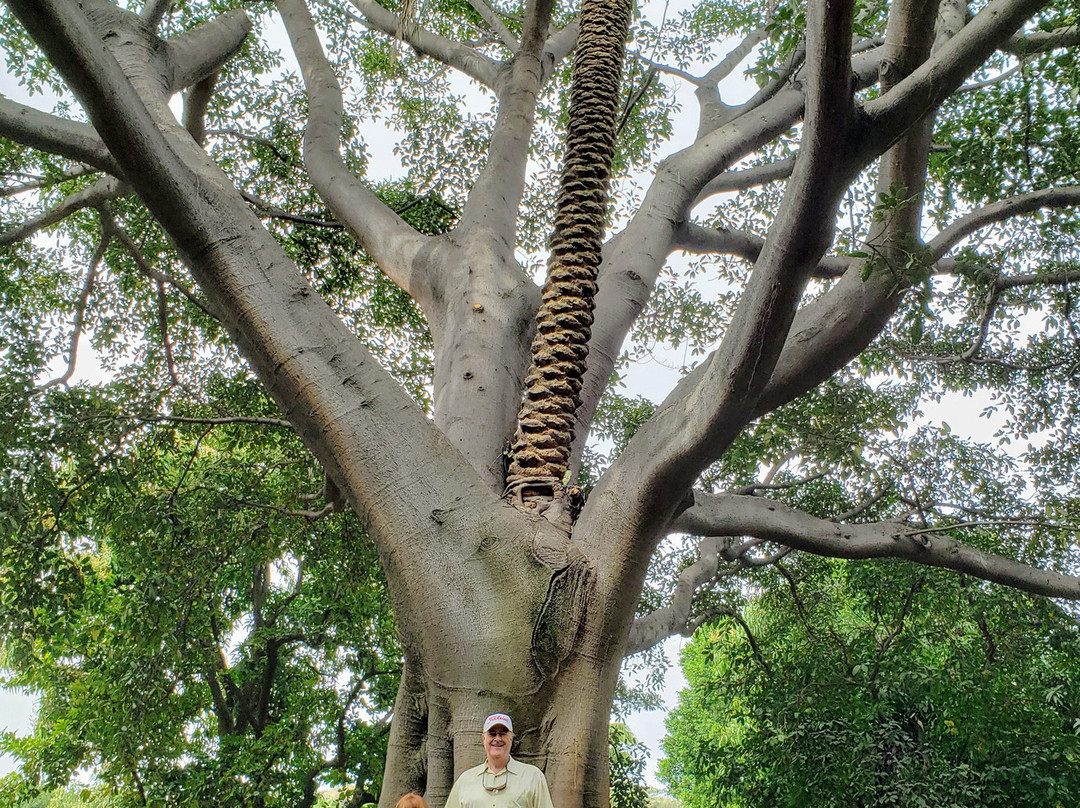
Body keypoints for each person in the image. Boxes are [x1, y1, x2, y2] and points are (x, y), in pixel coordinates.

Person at [444, 713, 555, 808]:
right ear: (483, 739)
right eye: (492, 733)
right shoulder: (465, 780)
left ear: (511, 737)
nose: (497, 738)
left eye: (502, 733)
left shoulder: (533, 776)